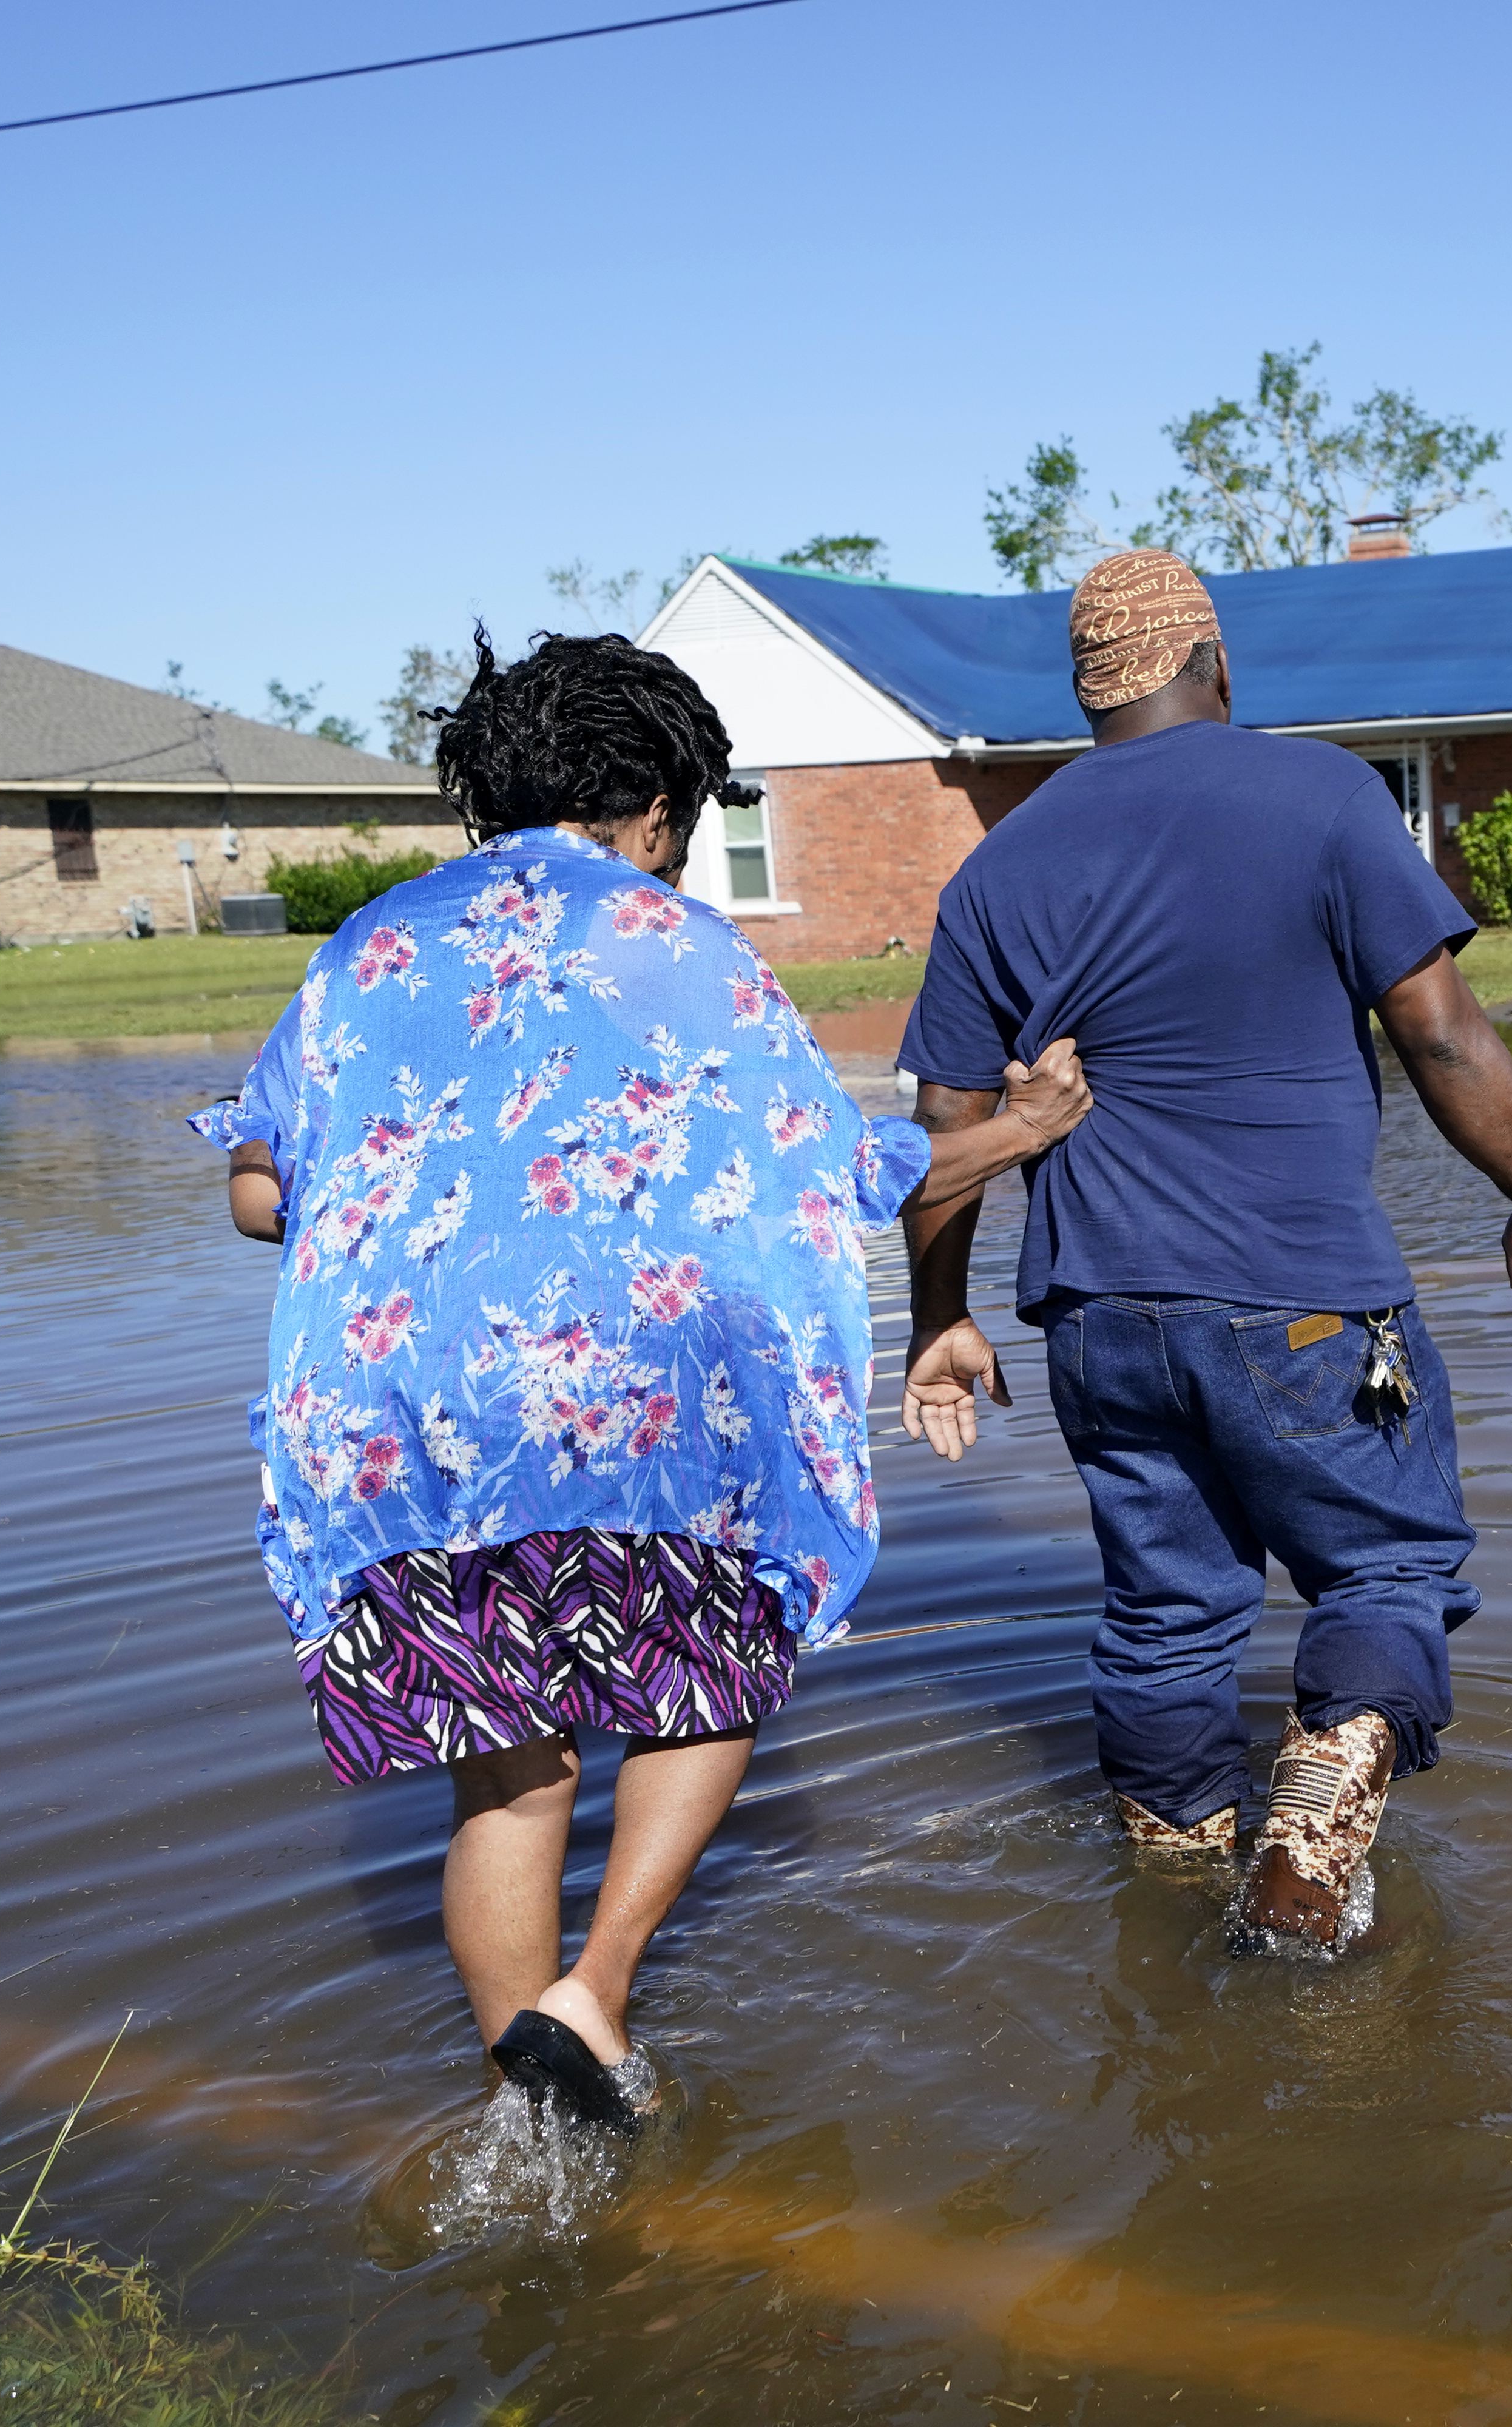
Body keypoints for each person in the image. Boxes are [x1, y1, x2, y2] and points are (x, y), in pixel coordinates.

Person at [194, 630, 1090, 2128]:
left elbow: (259, 1193)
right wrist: (1026, 1124)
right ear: (662, 804)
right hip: (649, 1412)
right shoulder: (681, 948)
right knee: (709, 1668)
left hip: (413, 1426)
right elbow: (832, 1168)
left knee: (507, 1776)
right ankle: (595, 1988)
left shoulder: (366, 948)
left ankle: (526, 2119)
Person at [894, 550, 1512, 1946]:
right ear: (1217, 663)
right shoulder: (1324, 794)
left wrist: (937, 1314)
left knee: (1165, 1614)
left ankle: (1173, 1872)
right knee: (1388, 1563)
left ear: (1087, 693)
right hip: (1302, 1298)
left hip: (1095, 1314)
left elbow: (945, 1122)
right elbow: (1442, 1026)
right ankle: (1315, 1815)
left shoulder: (996, 869)